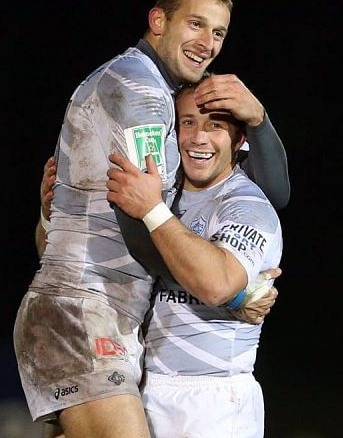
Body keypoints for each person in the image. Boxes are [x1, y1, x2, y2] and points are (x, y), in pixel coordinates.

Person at [14, 0, 289, 438]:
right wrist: (230, 292)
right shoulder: (141, 92)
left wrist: (260, 119)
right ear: (158, 21)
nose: (208, 43)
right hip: (83, 312)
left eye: (219, 32)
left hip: (103, 315)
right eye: (195, 24)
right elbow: (141, 226)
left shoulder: (153, 91)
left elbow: (271, 196)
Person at [106, 82, 283, 437]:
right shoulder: (158, 192)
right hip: (145, 388)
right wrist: (50, 217)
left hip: (213, 399)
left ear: (238, 141)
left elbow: (216, 285)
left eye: (215, 125)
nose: (198, 138)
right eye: (187, 123)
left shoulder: (248, 206)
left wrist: (153, 212)